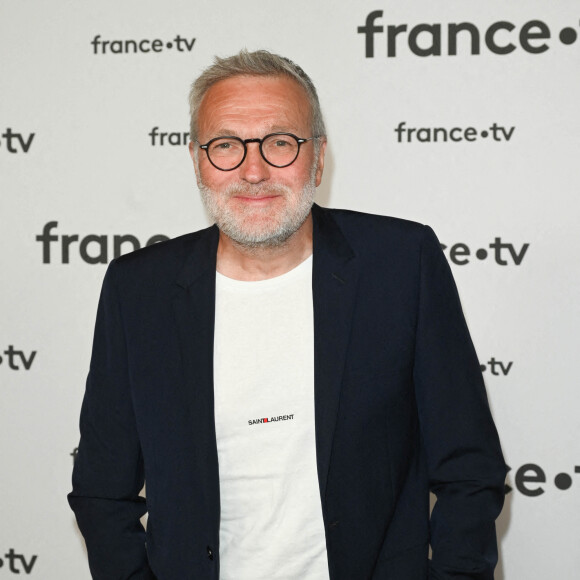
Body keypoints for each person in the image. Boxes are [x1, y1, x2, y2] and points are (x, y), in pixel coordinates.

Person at [68, 49, 506, 580]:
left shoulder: (401, 263)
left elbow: (469, 467)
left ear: (318, 156)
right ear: (196, 158)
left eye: (280, 143)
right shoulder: (138, 289)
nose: (253, 171)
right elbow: (102, 488)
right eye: (226, 145)